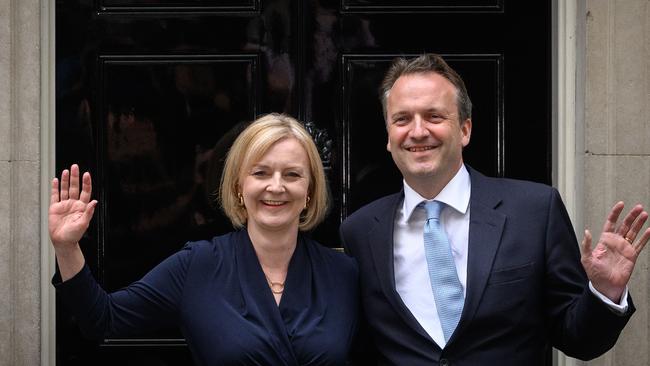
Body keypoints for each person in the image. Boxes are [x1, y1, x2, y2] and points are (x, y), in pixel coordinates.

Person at [340, 54, 650, 365]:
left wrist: (604, 293)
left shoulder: (535, 211)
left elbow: (578, 339)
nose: (418, 131)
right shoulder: (361, 232)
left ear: (465, 130)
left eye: (434, 116)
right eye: (402, 119)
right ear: (389, 137)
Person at [50, 113, 359, 365]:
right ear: (239, 185)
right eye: (261, 173)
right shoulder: (197, 265)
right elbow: (102, 320)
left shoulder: (343, 274)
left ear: (309, 191)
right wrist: (66, 247)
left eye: (292, 175)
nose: (276, 186)